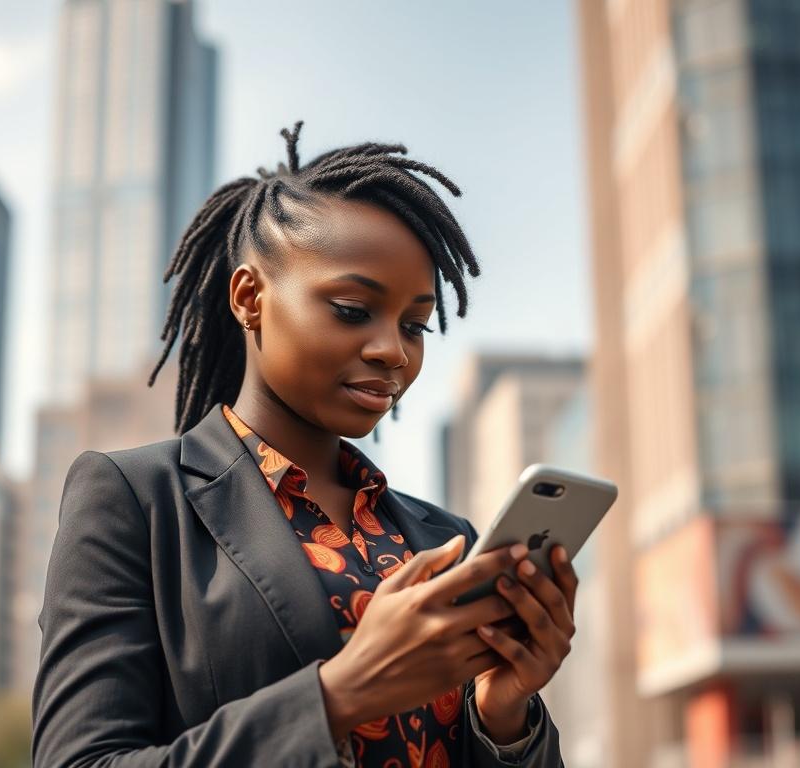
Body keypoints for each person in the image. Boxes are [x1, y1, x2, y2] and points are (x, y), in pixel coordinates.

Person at [32, 121, 577, 767]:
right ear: (249, 297)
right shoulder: (135, 501)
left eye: (414, 325)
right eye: (352, 309)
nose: (393, 351)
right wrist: (339, 696)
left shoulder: (444, 538)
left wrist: (503, 718)